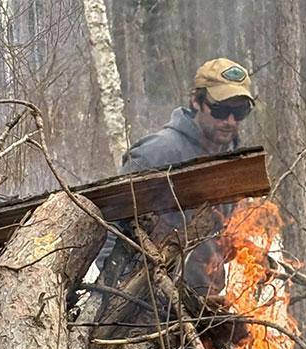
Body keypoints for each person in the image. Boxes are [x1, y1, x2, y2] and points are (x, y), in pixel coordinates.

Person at [97, 57, 256, 295]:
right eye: (221, 110)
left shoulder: (233, 161)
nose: (230, 121)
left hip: (201, 307)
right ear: (196, 101)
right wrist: (126, 296)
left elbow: (219, 238)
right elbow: (110, 233)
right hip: (147, 307)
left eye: (239, 111)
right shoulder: (157, 154)